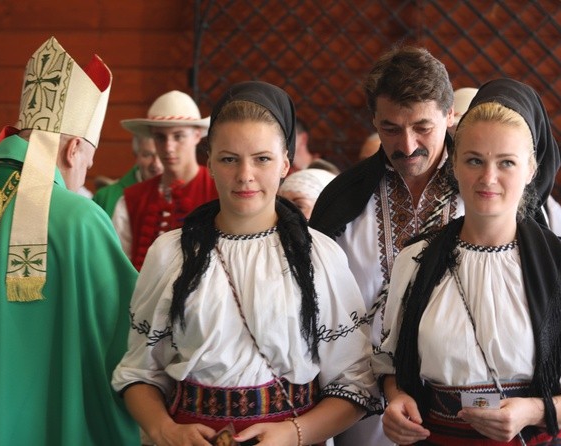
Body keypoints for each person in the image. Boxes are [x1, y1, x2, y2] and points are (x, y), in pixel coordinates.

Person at [112, 81, 377, 446]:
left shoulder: (319, 257)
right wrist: (165, 430)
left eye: (262, 159)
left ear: (285, 162)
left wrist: (294, 433)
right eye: (229, 158)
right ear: (210, 163)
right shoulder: (171, 254)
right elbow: (139, 371)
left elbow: (356, 382)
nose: (245, 175)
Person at [0, 37, 139, 445]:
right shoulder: (78, 219)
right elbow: (135, 332)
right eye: (88, 160)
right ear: (74, 147)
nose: (83, 173)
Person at [374, 78, 561, 445]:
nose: (488, 178)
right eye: (475, 160)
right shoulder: (416, 260)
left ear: (530, 170)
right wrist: (397, 399)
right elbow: (392, 363)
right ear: (455, 166)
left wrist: (534, 411)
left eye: (506, 163)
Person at [309, 46, 464, 446]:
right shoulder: (342, 200)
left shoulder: (482, 196)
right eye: (391, 128)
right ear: (374, 121)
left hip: (459, 411)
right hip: (359, 412)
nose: (407, 145)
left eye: (422, 128)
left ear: (450, 116)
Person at [111, 90, 218, 270]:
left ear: (197, 135)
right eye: (160, 137)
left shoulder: (218, 191)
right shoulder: (132, 200)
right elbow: (118, 266)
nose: (168, 147)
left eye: (178, 136)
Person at [93, 121, 164, 217]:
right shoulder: (105, 198)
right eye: (147, 155)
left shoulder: (184, 192)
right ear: (136, 156)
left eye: (161, 154)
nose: (156, 164)